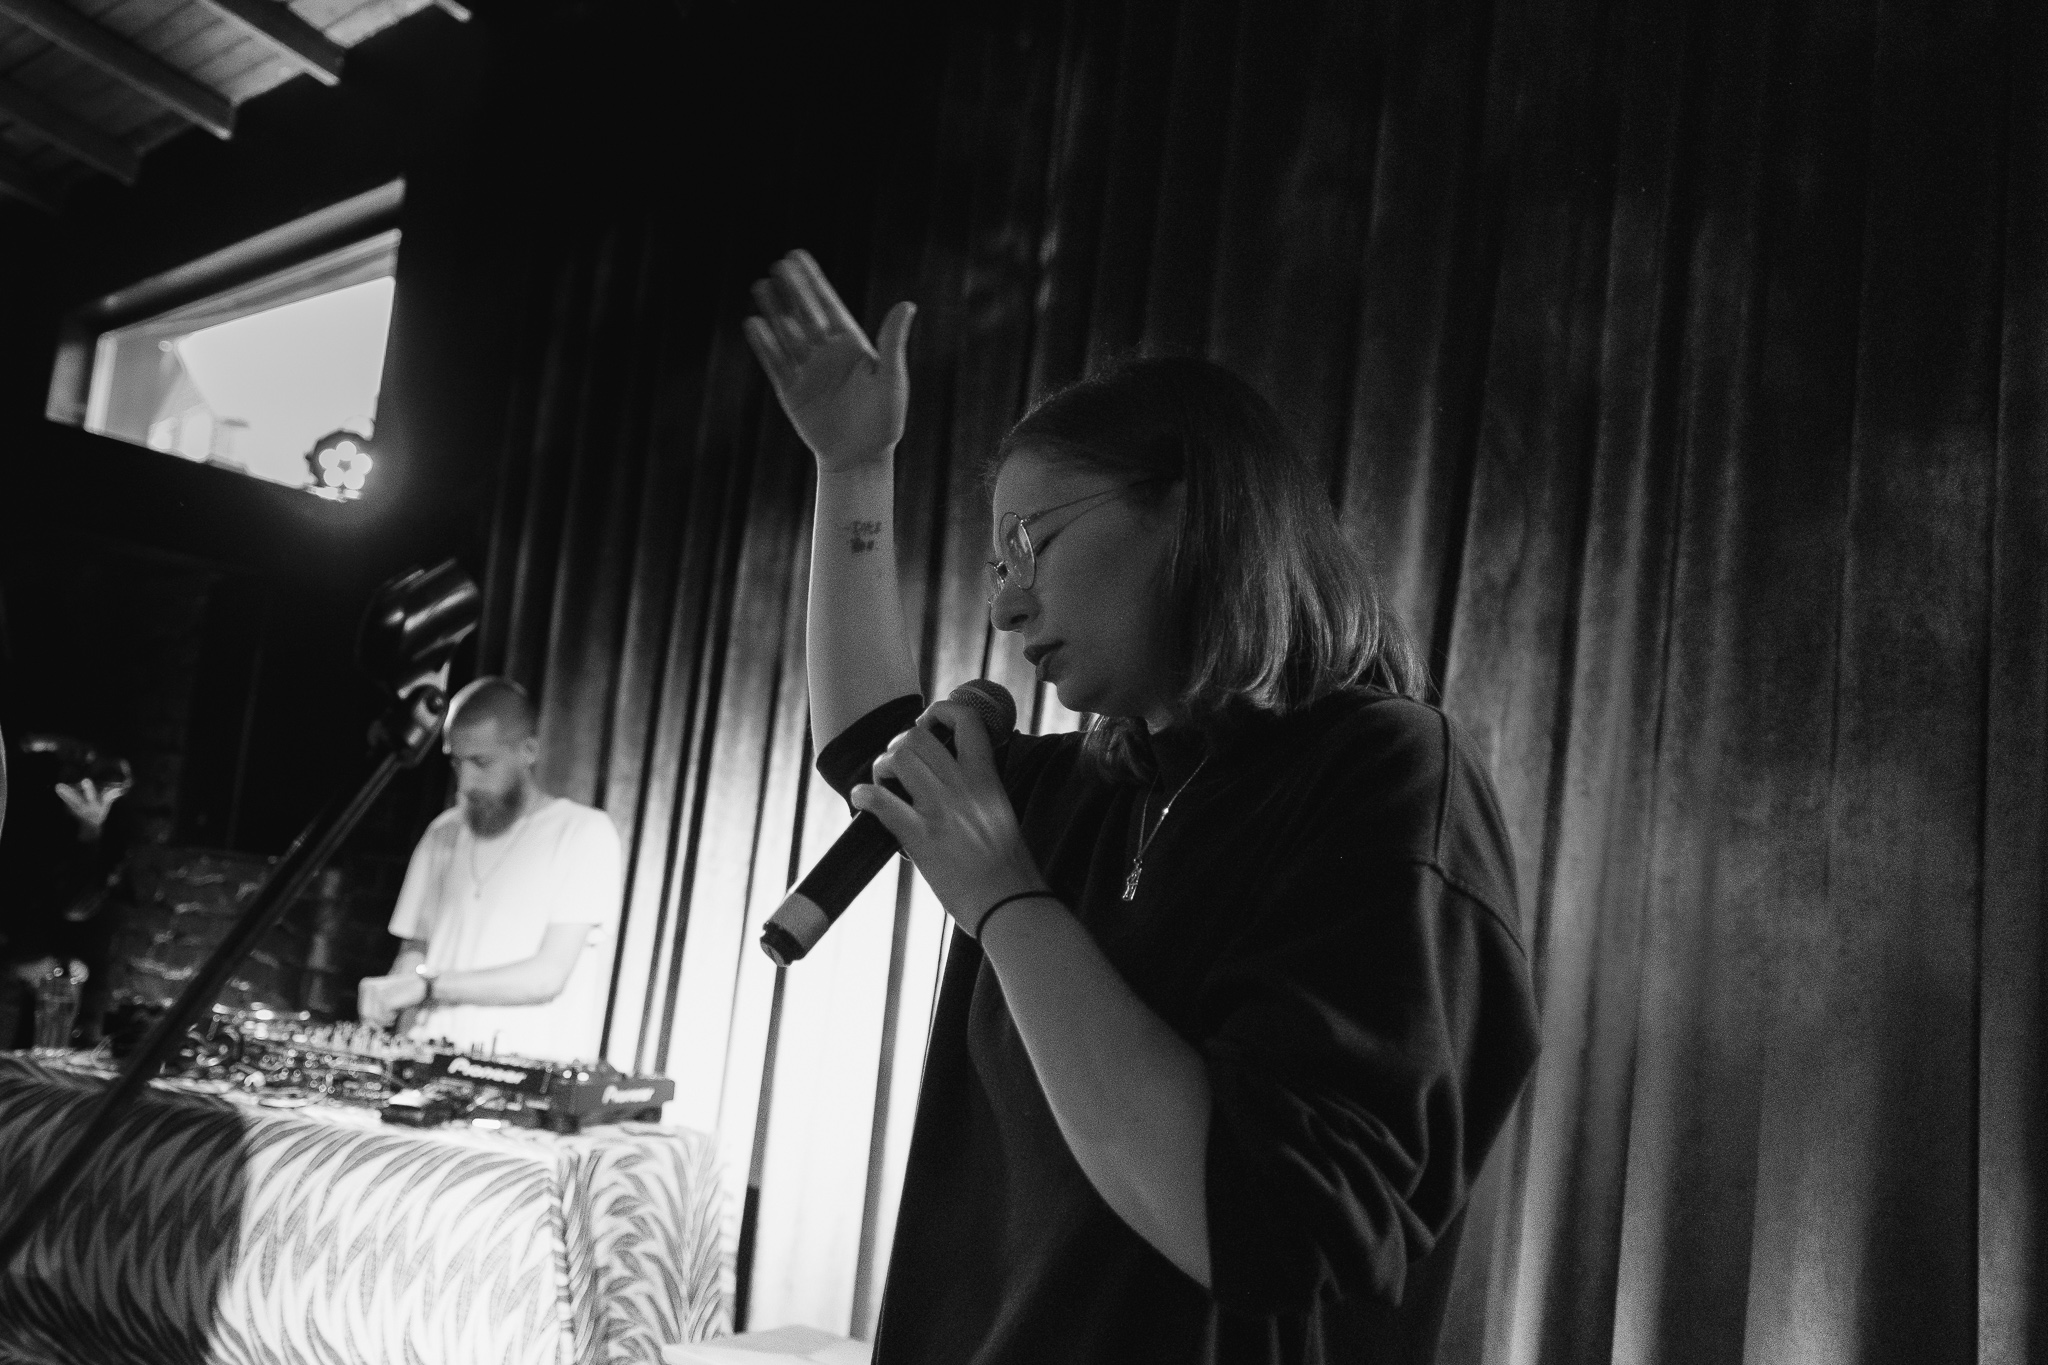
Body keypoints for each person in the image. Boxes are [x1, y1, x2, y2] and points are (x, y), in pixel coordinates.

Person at [743, 251, 1542, 1364]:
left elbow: (1262, 1224)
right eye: (996, 567)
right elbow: (873, 749)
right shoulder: (1093, 788)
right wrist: (852, 471)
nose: (1007, 605)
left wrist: (1006, 902)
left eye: (1031, 544)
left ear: (1190, 510)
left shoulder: (1384, 773)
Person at [358, 678, 623, 1060]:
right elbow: (416, 947)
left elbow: (547, 976)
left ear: (528, 750)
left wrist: (427, 986)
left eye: (481, 763)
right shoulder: (443, 832)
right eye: (456, 762)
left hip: (518, 1067)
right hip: (422, 1058)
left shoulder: (583, 832)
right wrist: (390, 997)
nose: (465, 782)